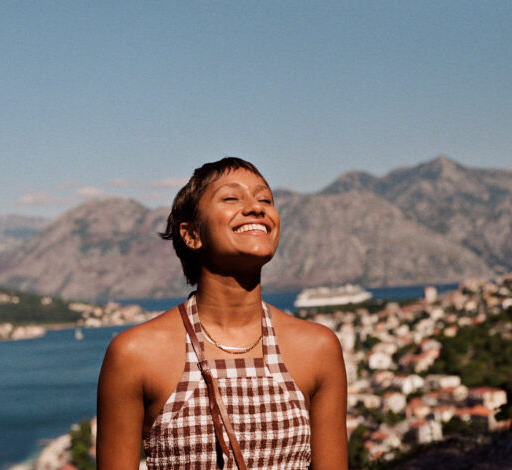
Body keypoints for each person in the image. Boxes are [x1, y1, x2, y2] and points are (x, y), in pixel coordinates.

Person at [97, 157, 347, 469]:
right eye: (231, 198)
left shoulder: (318, 348)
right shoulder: (135, 354)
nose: (256, 208)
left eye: (265, 200)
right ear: (191, 234)